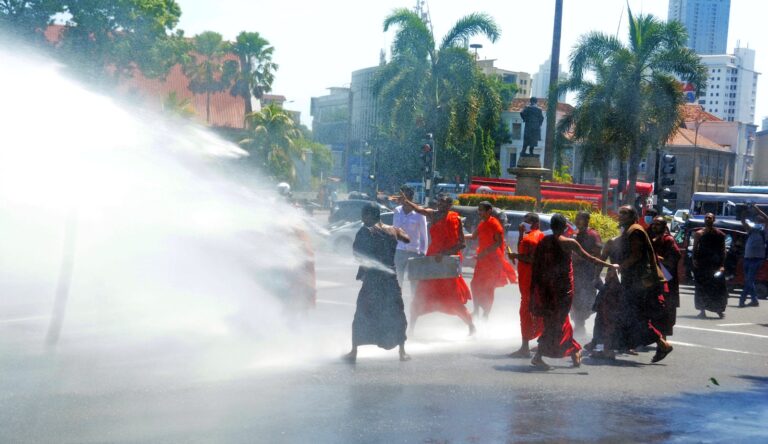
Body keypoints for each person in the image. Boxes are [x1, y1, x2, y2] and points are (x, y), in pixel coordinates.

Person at [529, 214, 615, 369]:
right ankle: (541, 355)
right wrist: (610, 266)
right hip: (562, 288)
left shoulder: (544, 241)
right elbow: (590, 258)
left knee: (558, 320)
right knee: (558, 322)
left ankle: (574, 351)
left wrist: (536, 287)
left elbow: (537, 264)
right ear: (564, 227)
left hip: (547, 287)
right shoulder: (569, 242)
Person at [344, 203, 411, 363]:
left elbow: (357, 254)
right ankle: (402, 352)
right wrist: (396, 231)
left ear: (370, 215)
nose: (362, 218)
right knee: (397, 313)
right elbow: (407, 239)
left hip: (373, 280)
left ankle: (353, 352)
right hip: (391, 280)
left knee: (362, 312)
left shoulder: (365, 231)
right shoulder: (392, 230)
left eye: (364, 215)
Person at [402, 192, 476, 335]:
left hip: (448, 262)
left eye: (444, 204)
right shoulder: (433, 215)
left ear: (450, 205)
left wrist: (445, 253)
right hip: (432, 259)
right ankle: (411, 329)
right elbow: (419, 209)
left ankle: (471, 326)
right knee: (422, 293)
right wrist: (407, 201)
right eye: (439, 203)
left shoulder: (455, 219)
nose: (441, 206)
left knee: (452, 297)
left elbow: (462, 243)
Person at [615, 206, 674, 363]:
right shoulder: (630, 230)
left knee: (636, 316)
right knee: (633, 314)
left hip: (639, 281)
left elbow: (636, 255)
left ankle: (662, 344)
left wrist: (620, 266)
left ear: (633, 216)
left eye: (625, 213)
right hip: (634, 280)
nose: (621, 216)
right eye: (620, 213)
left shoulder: (635, 231)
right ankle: (628, 345)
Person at [466, 201, 517, 319]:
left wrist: (484, 252)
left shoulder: (494, 224)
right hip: (482, 259)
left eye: (481, 210)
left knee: (489, 287)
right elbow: (473, 236)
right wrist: (460, 236)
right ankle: (476, 310)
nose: (479, 212)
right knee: (475, 284)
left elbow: (498, 243)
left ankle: (486, 314)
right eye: (478, 210)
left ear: (489, 211)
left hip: (493, 260)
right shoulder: (482, 223)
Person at [506, 213, 545, 357]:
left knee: (526, 313)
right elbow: (523, 249)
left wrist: (515, 256)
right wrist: (521, 234)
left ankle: (525, 348)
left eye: (527, 221)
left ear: (535, 223)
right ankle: (540, 342)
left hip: (529, 282)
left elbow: (532, 258)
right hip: (531, 281)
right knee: (536, 312)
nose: (524, 223)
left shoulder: (532, 238)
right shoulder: (536, 235)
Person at [587, 236, 622, 359]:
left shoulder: (636, 241)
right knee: (603, 314)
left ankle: (607, 349)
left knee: (609, 316)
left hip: (622, 285)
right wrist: (597, 276)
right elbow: (602, 258)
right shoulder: (613, 242)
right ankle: (598, 344)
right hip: (614, 284)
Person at [570, 211, 603, 336]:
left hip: (588, 273)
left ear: (587, 220)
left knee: (587, 301)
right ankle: (579, 327)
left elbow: (598, 254)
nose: (577, 221)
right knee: (575, 301)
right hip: (576, 274)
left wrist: (596, 274)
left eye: (580, 219)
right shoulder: (575, 234)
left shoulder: (592, 234)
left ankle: (582, 325)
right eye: (576, 218)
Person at [392, 186, 429, 298]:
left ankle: (414, 301)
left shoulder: (419, 213)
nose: (401, 198)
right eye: (400, 195)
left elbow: (424, 235)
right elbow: (395, 230)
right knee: (397, 278)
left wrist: (423, 252)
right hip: (399, 251)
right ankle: (397, 300)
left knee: (414, 280)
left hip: (414, 252)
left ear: (410, 197)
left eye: (404, 196)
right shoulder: (397, 210)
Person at [649, 216, 681, 336]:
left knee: (666, 308)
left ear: (663, 226)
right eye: (653, 224)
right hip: (653, 278)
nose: (654, 226)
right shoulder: (651, 239)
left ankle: (663, 337)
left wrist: (657, 258)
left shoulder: (668, 240)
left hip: (666, 278)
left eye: (657, 224)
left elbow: (675, 256)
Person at [692, 212, 728, 318]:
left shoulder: (720, 234)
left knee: (718, 287)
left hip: (715, 265)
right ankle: (702, 310)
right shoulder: (699, 233)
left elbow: (723, 250)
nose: (708, 219)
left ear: (714, 220)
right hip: (702, 264)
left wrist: (722, 265)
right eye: (706, 217)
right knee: (701, 287)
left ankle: (719, 310)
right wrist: (694, 259)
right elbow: (695, 247)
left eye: (710, 218)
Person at [739, 203, 767, 308]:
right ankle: (753, 300)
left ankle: (742, 300)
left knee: (749, 280)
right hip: (747, 257)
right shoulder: (752, 228)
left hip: (757, 258)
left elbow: (767, 219)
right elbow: (743, 222)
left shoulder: (764, 229)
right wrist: (744, 212)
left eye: (760, 216)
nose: (758, 217)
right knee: (748, 280)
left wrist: (758, 210)